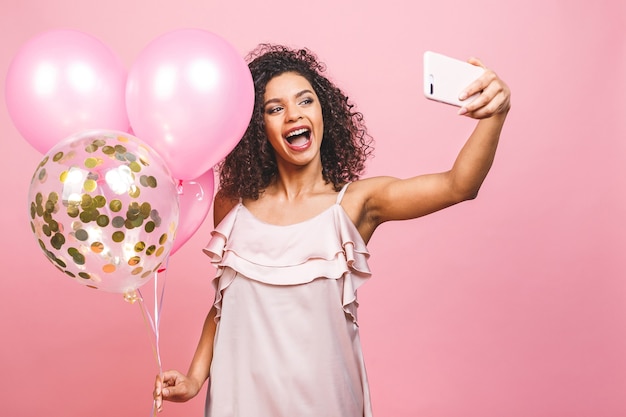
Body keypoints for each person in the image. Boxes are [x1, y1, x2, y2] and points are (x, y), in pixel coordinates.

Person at [153, 43, 511, 416]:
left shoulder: (357, 204)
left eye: (305, 101)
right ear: (258, 128)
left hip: (324, 402)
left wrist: (495, 115)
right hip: (240, 401)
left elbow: (459, 185)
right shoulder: (232, 204)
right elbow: (227, 302)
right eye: (275, 109)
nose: (293, 114)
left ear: (325, 113)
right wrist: (195, 379)